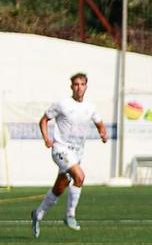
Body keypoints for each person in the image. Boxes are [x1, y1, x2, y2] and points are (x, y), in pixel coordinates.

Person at [32, 72, 109, 236]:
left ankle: (38, 214)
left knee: (59, 188)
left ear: (86, 87)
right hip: (60, 149)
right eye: (76, 84)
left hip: (77, 153)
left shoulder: (90, 107)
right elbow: (43, 120)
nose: (79, 87)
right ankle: (70, 215)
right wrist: (46, 138)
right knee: (79, 177)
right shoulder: (63, 104)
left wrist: (103, 133)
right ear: (71, 87)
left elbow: (100, 123)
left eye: (82, 84)